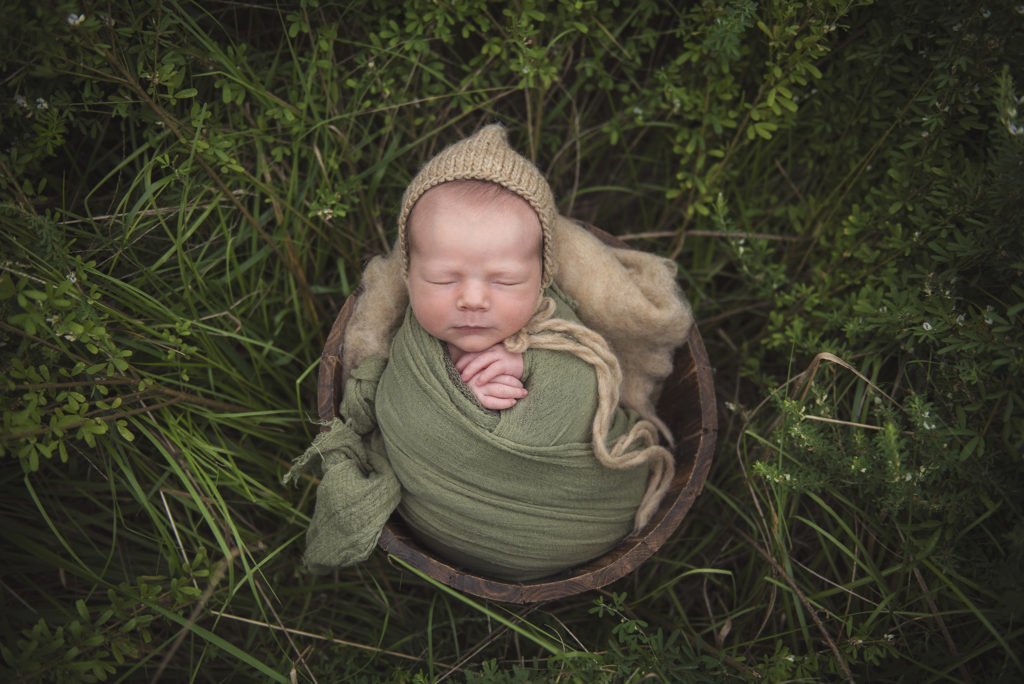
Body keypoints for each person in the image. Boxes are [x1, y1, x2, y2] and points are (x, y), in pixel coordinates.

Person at [285, 124, 691, 581]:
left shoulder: (561, 317)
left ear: (542, 278)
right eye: (442, 279)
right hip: (446, 524)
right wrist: (454, 391)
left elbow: (599, 379)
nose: (473, 299)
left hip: (583, 509)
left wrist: (537, 368)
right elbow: (392, 414)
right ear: (409, 274)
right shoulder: (402, 344)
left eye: (504, 281)